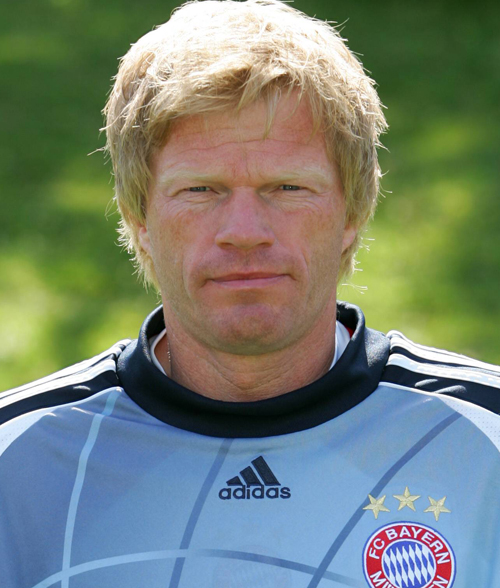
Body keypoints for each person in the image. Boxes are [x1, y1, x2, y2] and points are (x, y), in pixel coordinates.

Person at [1, 1, 498, 586]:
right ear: (139, 218)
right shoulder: (18, 462)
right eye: (200, 190)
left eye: (287, 187)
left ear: (351, 213)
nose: (244, 231)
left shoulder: (483, 441)